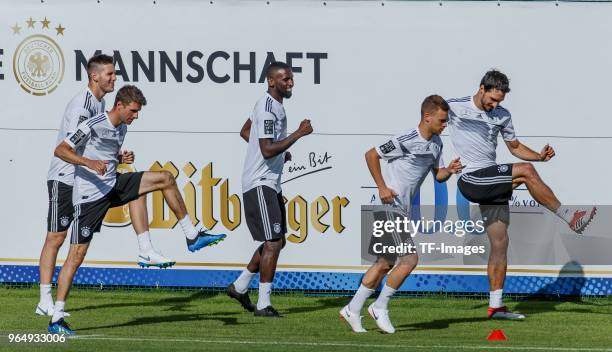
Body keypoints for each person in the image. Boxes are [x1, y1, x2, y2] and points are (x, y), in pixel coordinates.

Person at [47, 85, 226, 334]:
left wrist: (120, 160)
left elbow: (105, 152)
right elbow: (61, 150)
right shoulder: (92, 123)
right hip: (90, 197)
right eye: (133, 110)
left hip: (112, 184)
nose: (136, 116)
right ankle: (56, 318)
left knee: (164, 178)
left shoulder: (123, 126)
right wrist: (89, 162)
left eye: (138, 111)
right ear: (119, 106)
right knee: (75, 256)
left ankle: (186, 237)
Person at [446, 70, 597, 320]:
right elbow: (429, 118)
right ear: (481, 88)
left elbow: (514, 147)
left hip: (490, 179)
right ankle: (570, 217)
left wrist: (539, 156)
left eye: (499, 102)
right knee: (526, 172)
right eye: (492, 100)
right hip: (471, 178)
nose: (495, 105)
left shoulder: (502, 115)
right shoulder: (454, 107)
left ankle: (496, 306)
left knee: (500, 244)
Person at [37, 54, 175, 319]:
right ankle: (45, 298)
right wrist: (91, 162)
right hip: (65, 176)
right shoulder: (83, 106)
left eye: (114, 73)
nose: (114, 78)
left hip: (87, 177)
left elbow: (94, 146)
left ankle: (145, 248)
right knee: (56, 236)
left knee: (137, 188)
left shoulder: (100, 105)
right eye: (110, 74)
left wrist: (115, 158)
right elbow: (70, 148)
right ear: (95, 76)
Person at [339, 95, 463, 333]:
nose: (445, 124)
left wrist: (449, 170)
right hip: (390, 206)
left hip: (402, 209)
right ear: (427, 117)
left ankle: (352, 309)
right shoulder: (407, 139)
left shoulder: (437, 143)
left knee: (384, 263)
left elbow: (438, 175)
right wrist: (382, 187)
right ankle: (380, 307)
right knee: (409, 260)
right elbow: (371, 155)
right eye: (442, 120)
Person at [227, 62, 312, 318]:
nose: (291, 83)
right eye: (285, 79)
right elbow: (265, 148)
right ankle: (264, 304)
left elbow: (246, 132)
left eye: (291, 79)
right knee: (273, 242)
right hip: (259, 182)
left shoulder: (271, 105)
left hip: (269, 180)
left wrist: (279, 155)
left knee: (278, 241)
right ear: (271, 81)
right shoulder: (267, 109)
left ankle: (240, 286)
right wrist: (298, 133)